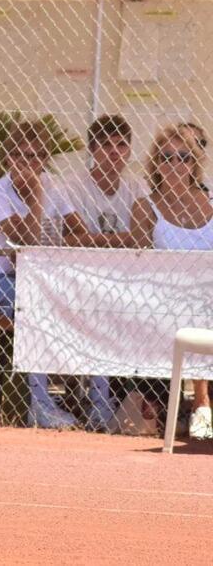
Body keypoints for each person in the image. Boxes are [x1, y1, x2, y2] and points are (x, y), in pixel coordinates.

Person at [0, 120, 90, 429]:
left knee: (78, 303)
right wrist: (37, 197)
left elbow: (80, 233)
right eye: (19, 156)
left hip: (32, 280)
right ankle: (40, 404)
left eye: (34, 157)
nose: (27, 163)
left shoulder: (54, 186)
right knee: (31, 305)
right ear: (9, 158)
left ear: (44, 159)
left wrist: (56, 240)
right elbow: (26, 240)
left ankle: (95, 401)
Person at [58, 115, 149, 431]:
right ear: (93, 150)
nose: (114, 153)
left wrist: (96, 239)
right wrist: (122, 239)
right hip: (82, 275)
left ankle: (130, 401)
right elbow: (70, 239)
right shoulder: (72, 185)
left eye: (121, 145)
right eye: (106, 146)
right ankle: (97, 400)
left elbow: (143, 238)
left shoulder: (137, 186)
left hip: (127, 277)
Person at [131, 125, 213, 440]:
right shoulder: (145, 206)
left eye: (183, 157)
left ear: (194, 164)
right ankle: (195, 405)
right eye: (167, 158)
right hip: (162, 298)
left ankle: (201, 402)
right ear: (156, 164)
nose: (175, 165)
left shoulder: (210, 200)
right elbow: (139, 264)